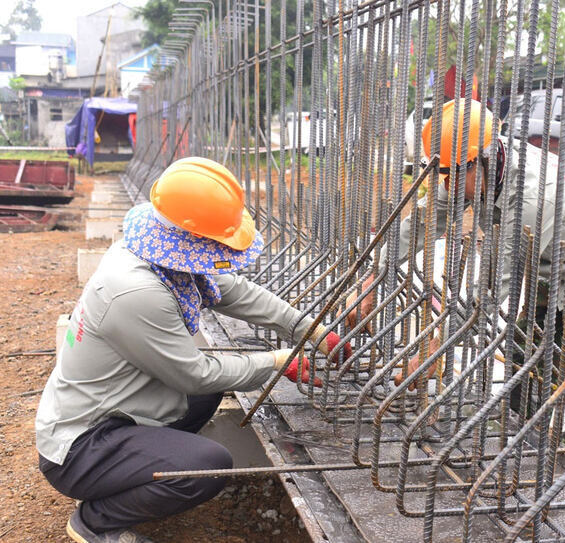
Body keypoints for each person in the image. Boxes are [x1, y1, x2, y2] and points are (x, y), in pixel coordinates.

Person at [36, 157, 351, 543]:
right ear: (192, 237)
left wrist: (308, 329)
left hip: (111, 410)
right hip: (80, 448)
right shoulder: (137, 292)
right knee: (209, 466)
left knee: (221, 379)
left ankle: (151, 463)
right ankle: (96, 520)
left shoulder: (156, 249)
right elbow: (193, 374)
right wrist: (275, 361)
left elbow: (232, 290)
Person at [345, 98, 565, 443]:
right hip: (555, 266)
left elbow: (489, 292)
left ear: (480, 160)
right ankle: (523, 447)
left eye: (452, 175)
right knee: (524, 355)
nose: (446, 186)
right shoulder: (466, 170)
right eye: (441, 174)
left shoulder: (531, 196)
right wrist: (372, 278)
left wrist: (436, 350)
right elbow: (422, 224)